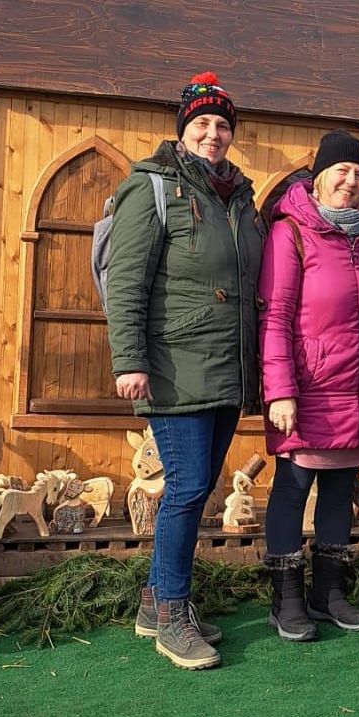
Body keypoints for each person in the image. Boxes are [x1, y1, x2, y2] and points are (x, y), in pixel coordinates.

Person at [106, 72, 264, 672]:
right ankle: (173, 612)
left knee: (194, 486)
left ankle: (153, 603)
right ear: (183, 129)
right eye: (202, 123)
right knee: (189, 488)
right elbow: (126, 282)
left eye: (223, 125)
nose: (213, 133)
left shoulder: (236, 197)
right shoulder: (150, 188)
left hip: (225, 368)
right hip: (173, 368)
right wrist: (130, 361)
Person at [260, 131, 359, 641]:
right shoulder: (291, 232)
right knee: (292, 490)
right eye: (342, 171)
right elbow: (276, 317)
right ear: (319, 177)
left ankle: (329, 592)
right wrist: (280, 390)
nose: (351, 180)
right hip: (307, 388)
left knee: (340, 491)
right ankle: (286, 598)